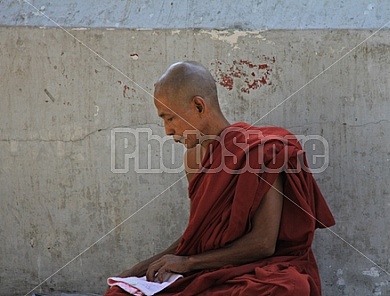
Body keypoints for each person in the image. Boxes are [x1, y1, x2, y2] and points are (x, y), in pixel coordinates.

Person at [105, 61, 335, 296]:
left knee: (290, 288)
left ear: (198, 106)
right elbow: (197, 235)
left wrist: (189, 263)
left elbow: (264, 243)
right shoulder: (193, 158)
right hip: (209, 270)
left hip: (258, 269)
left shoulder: (260, 153)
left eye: (169, 118)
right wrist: (140, 269)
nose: (167, 130)